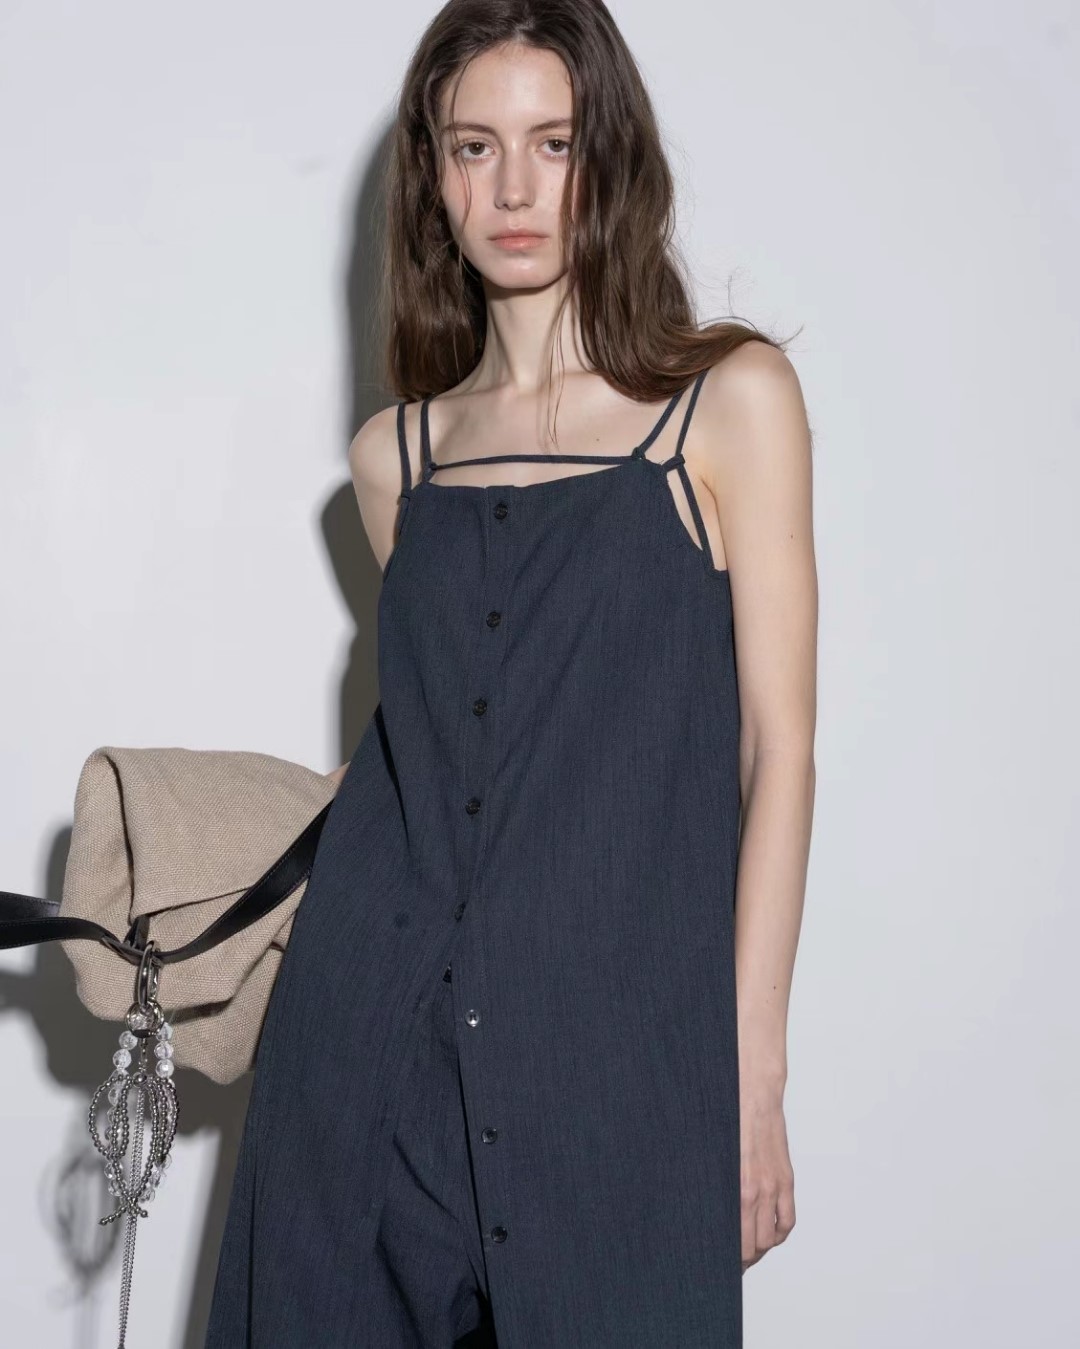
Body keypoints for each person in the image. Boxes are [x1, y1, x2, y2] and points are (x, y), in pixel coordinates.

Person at [205, 1, 816, 1345]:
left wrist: (752, 1075)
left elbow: (778, 751)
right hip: (363, 1060)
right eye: (474, 147)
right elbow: (448, 758)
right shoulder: (394, 461)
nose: (516, 188)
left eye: (556, 141)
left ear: (613, 156)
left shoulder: (727, 404)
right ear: (433, 174)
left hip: (617, 1072)